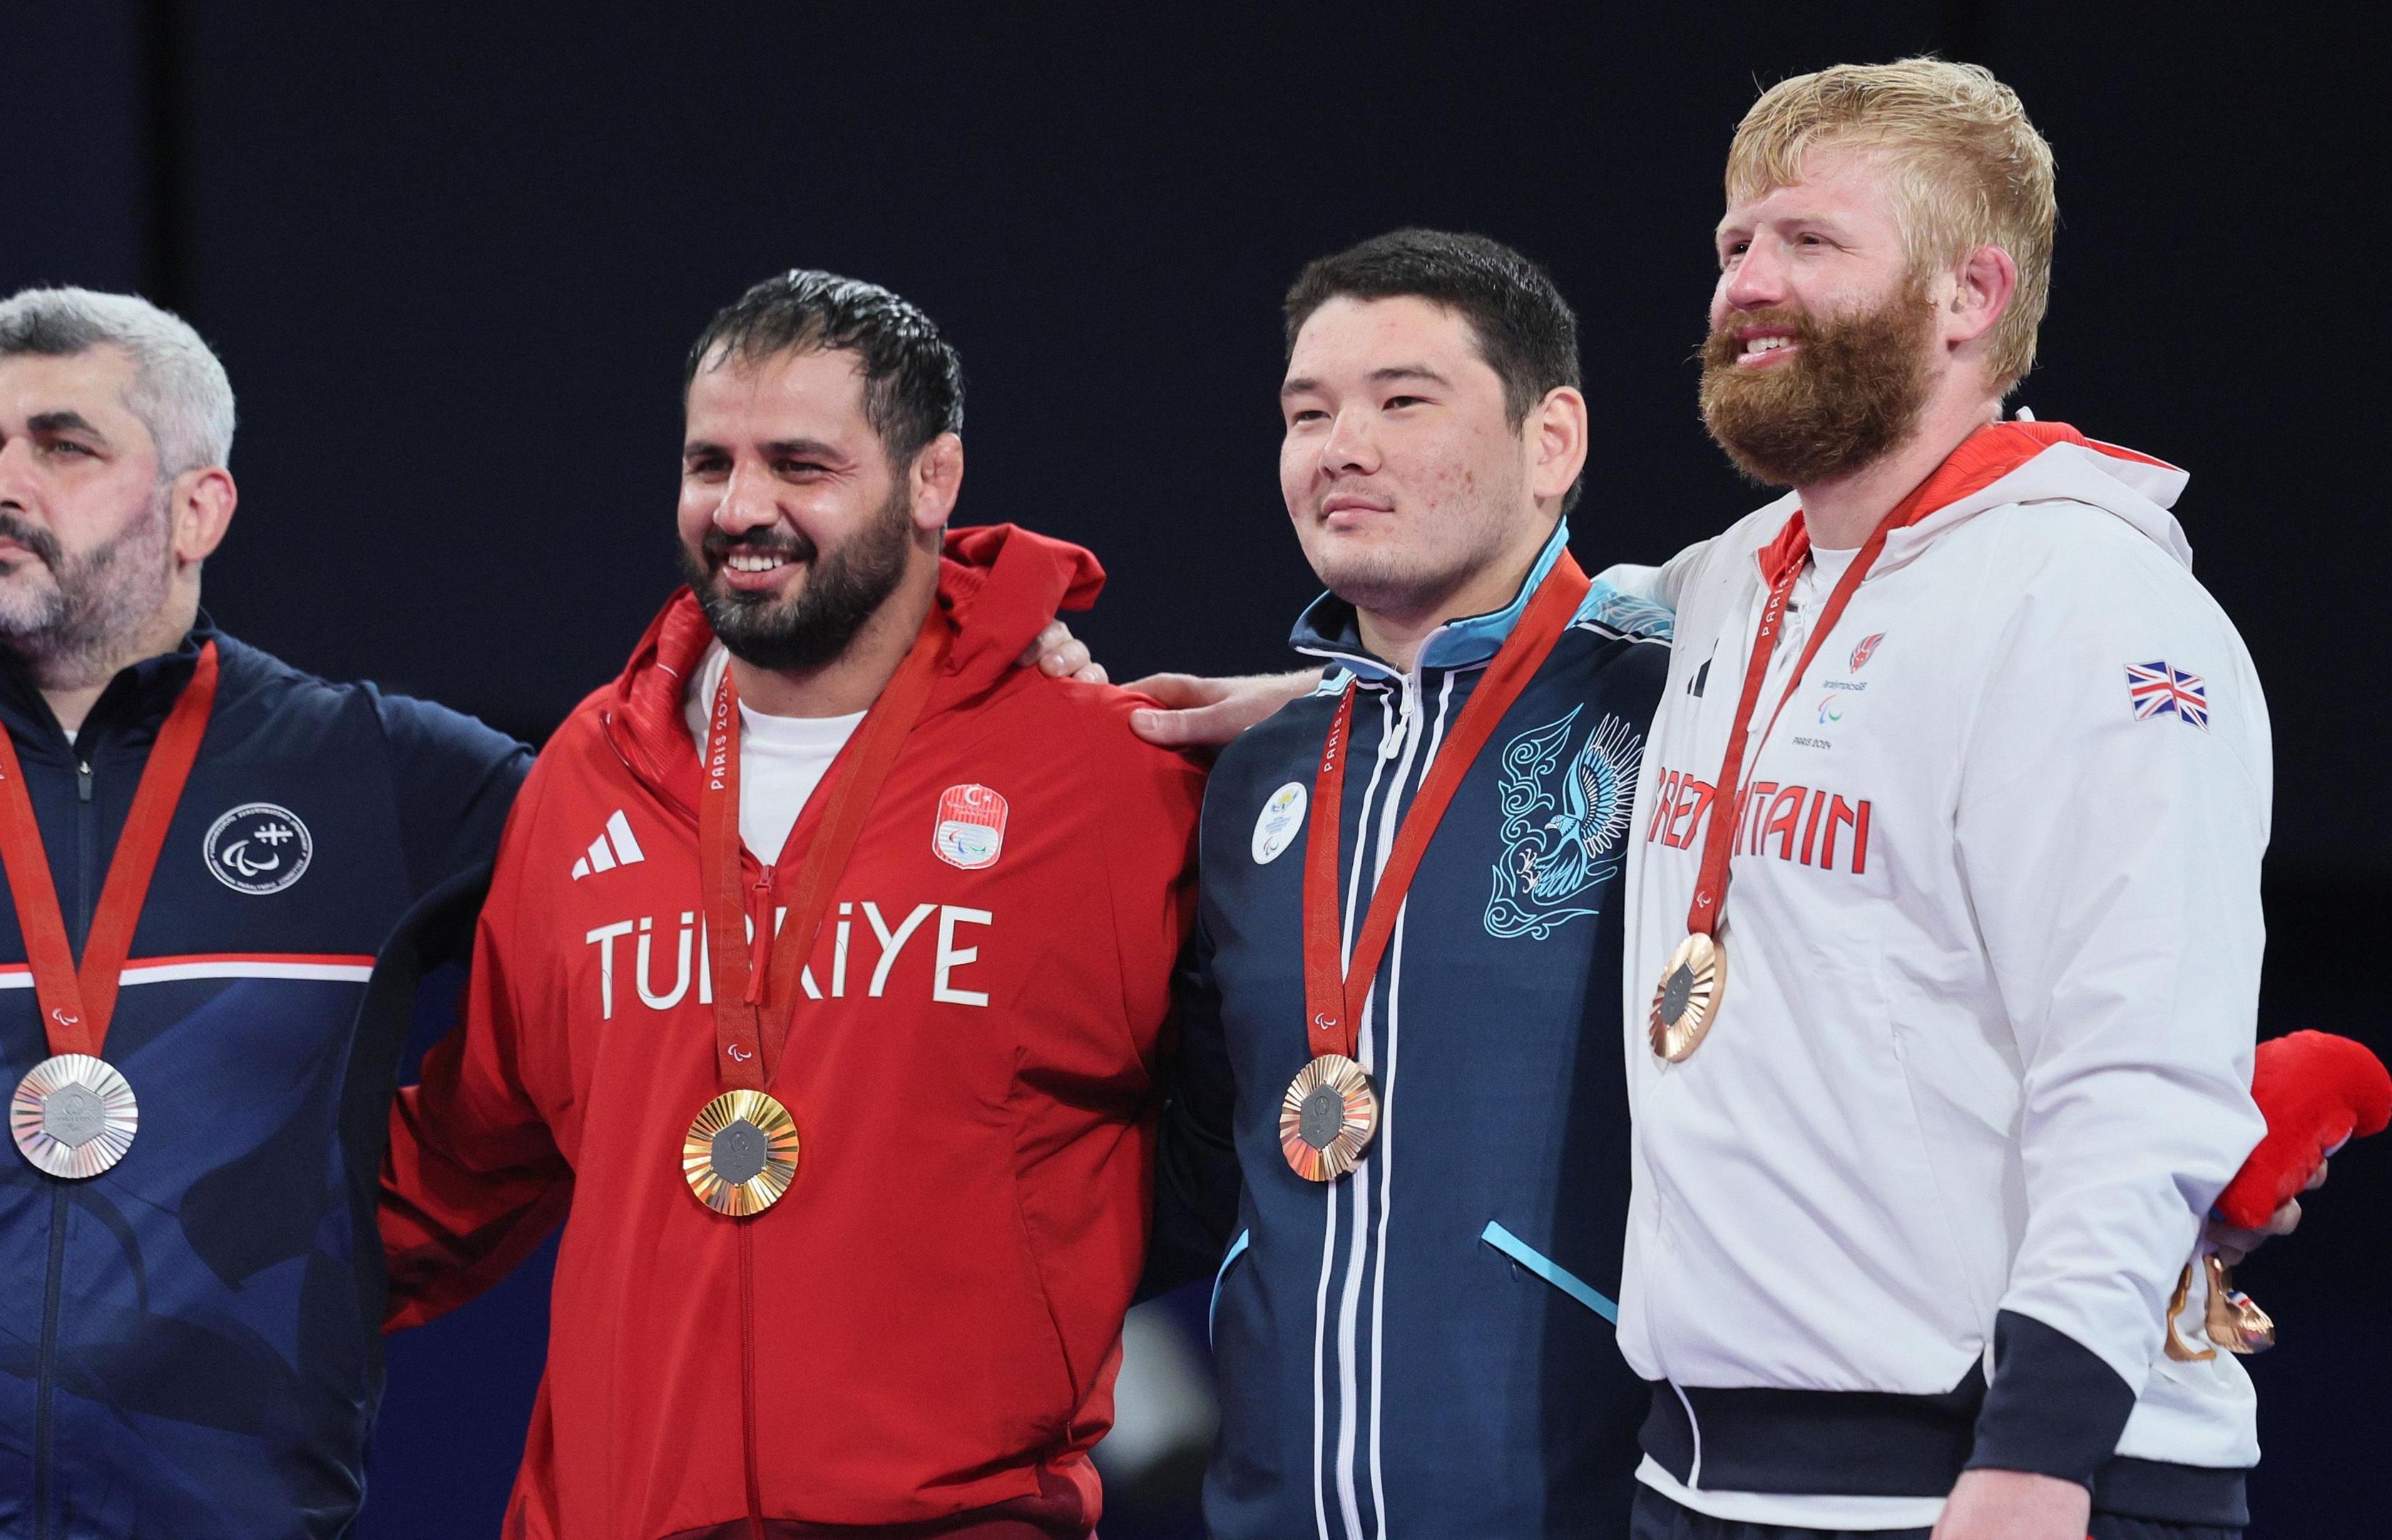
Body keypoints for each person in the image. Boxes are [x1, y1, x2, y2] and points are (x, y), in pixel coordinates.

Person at [1130, 58, 2276, 1540]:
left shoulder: (2090, 601)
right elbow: (1502, 643)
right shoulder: (1738, 588)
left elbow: (2136, 1069)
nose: (1750, 281)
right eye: (1735, 244)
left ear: (1970, 294)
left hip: (2002, 1471)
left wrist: (2039, 1460)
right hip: (1715, 1474)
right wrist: (1303, 698)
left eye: (1811, 242)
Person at [0, 287, 534, 1536]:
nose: (2, 483)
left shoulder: (383, 776)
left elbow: (657, 927)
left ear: (197, 510)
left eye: (61, 445)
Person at [377, 271, 1203, 1538]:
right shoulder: (588, 778)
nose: (743, 507)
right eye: (712, 461)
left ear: (934, 481)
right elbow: (472, 1150)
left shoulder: (1100, 774)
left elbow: (1239, 1133)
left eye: (801, 464)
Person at [1144, 229, 1667, 1539]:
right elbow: (1199, 1164)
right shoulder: (1257, 779)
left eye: (1402, 401)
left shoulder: (1678, 717)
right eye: (1306, 412)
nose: (1342, 448)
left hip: (1592, 1506)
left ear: (1553, 441)